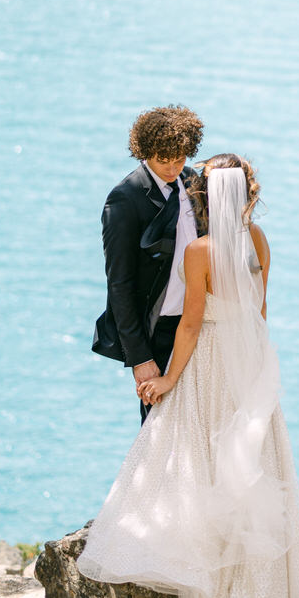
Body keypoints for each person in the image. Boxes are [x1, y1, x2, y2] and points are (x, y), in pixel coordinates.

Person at [77, 154, 299, 598]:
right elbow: (262, 314)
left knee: (200, 474)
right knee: (254, 479)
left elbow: (191, 324)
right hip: (250, 372)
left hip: (210, 369)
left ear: (201, 198)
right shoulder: (258, 241)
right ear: (246, 198)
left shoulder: (199, 253)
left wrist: (166, 379)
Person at [92, 106, 205, 421]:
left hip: (199, 324)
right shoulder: (125, 199)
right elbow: (119, 283)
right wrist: (140, 357)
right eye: (162, 161)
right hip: (159, 332)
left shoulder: (192, 180)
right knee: (159, 431)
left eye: (179, 159)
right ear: (144, 153)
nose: (172, 169)